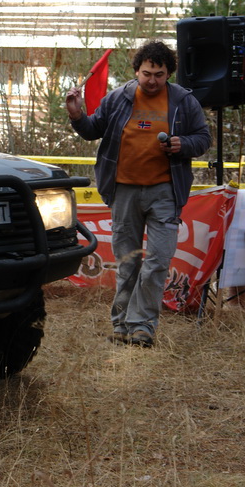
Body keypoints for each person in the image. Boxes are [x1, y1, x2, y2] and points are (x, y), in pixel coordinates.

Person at [65, 40, 211, 347]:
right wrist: (77, 115)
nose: (152, 80)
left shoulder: (183, 101)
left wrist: (183, 144)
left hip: (165, 192)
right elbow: (93, 130)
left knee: (158, 261)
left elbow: (202, 138)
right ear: (136, 71)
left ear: (169, 74)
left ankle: (142, 326)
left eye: (159, 74)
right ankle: (121, 325)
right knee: (127, 263)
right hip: (124, 191)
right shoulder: (118, 98)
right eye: (147, 73)